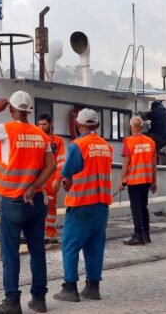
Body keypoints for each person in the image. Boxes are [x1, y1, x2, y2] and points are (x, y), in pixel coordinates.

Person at [0, 91, 56, 314]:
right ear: (29, 111)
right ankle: (39, 300)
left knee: (10, 253)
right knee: (37, 250)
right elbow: (51, 166)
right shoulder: (41, 135)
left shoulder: (7, 129)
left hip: (12, 200)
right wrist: (34, 187)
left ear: (11, 109)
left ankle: (11, 302)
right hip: (36, 201)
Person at [53, 108, 113, 303]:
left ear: (78, 125)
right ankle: (93, 287)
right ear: (96, 125)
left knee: (70, 246)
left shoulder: (78, 146)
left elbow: (67, 172)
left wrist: (63, 181)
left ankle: (70, 288)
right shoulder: (106, 147)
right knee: (95, 247)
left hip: (81, 204)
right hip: (102, 204)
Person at [117, 116, 157, 245]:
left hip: (134, 180)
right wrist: (154, 182)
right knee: (143, 207)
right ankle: (146, 234)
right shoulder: (150, 142)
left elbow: (126, 162)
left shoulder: (128, 142)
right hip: (146, 180)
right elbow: (153, 164)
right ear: (141, 127)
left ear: (130, 127)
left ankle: (138, 235)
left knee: (136, 208)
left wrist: (122, 180)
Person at [37, 113, 66, 243]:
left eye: (44, 124)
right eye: (40, 124)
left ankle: (50, 232)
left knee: (50, 206)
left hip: (51, 179)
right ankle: (38, 231)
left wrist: (58, 178)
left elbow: (61, 161)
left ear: (51, 124)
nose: (42, 127)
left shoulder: (58, 141)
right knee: (36, 204)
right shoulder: (36, 139)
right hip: (37, 178)